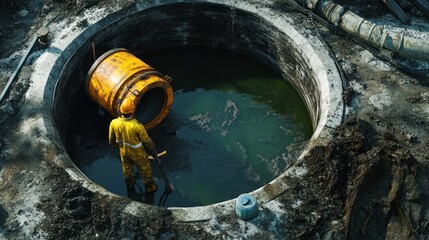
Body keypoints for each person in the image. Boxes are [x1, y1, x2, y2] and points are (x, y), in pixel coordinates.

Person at [109, 98, 158, 193]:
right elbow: (147, 141)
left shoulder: (114, 123)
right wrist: (153, 149)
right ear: (133, 111)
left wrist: (114, 146)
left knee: (126, 168)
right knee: (144, 168)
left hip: (124, 151)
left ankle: (129, 183)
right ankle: (150, 187)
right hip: (138, 152)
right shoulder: (137, 126)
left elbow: (111, 138)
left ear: (120, 110)